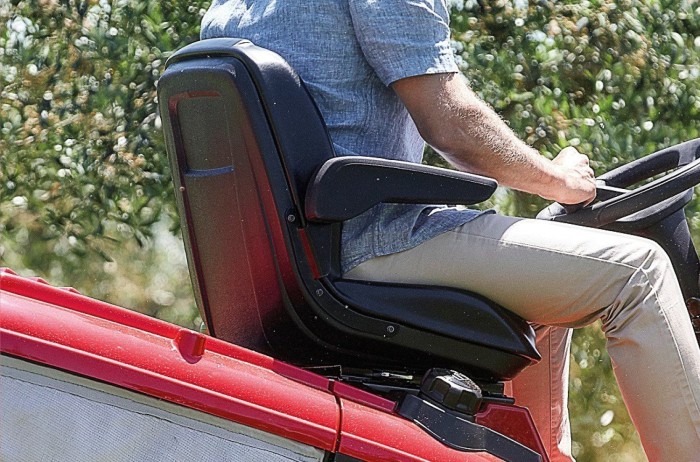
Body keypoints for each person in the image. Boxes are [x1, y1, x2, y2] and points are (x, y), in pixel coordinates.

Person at [200, 1, 700, 460]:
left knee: (556, 277)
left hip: (297, 262)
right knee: (640, 274)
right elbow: (450, 122)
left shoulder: (232, 9)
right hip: (372, 241)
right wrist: (558, 180)